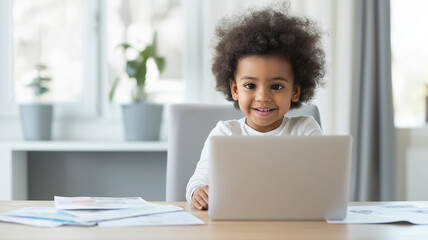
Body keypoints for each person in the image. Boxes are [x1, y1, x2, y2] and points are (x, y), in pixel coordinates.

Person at [186, 5, 326, 210]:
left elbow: (323, 184)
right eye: (250, 86)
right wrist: (198, 192)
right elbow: (197, 181)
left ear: (295, 91)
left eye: (276, 86)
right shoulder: (225, 133)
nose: (262, 97)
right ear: (235, 90)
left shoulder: (305, 129)